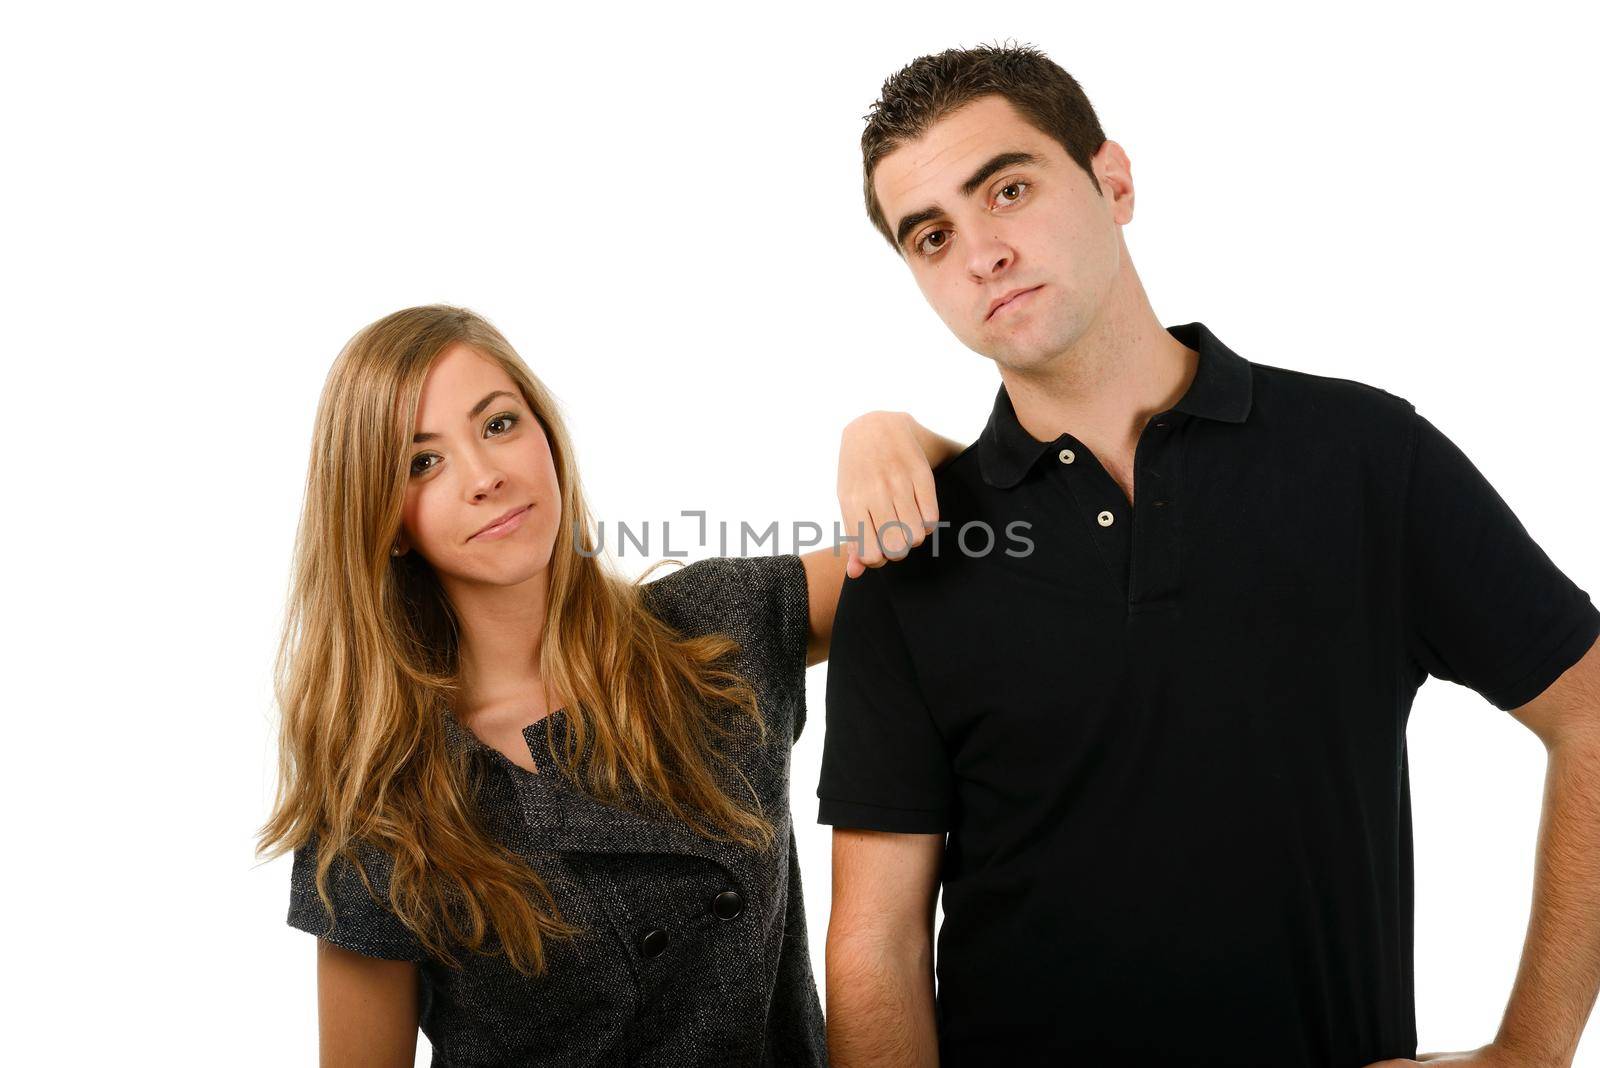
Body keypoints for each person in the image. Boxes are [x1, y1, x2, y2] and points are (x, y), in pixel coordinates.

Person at [817, 43, 1600, 1068]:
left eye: (1006, 188)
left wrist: (1528, 1053)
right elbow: (874, 946)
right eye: (931, 235)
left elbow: (1588, 713)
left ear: (1112, 181)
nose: (980, 252)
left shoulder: (1362, 458)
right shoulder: (913, 551)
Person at [256, 304, 958, 1066]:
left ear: (547, 437)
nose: (486, 476)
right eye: (422, 462)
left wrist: (891, 435)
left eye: (497, 425)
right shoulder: (384, 805)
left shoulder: (712, 631)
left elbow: (976, 538)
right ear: (385, 519)